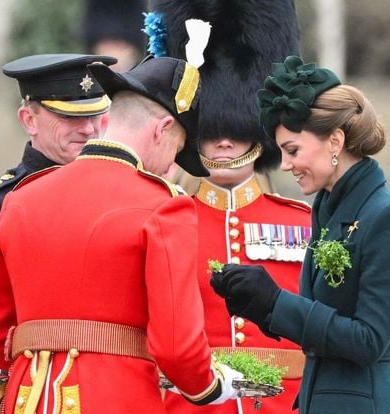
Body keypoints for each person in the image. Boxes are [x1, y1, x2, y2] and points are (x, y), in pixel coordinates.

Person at [0, 55, 243, 413]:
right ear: (162, 129)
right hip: (117, 398)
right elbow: (178, 348)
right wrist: (212, 386)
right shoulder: (165, 205)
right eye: (176, 148)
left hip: (30, 398)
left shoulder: (22, 196)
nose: (171, 164)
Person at [211, 55, 390, 414]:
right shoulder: (328, 208)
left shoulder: (389, 216)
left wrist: (276, 302)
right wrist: (259, 305)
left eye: (293, 150)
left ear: (335, 141)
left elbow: (368, 340)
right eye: (281, 153)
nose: (286, 164)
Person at [149, 1, 311, 413]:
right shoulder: (164, 221)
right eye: (211, 131)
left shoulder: (305, 226)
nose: (223, 141)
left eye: (237, 131)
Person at [0, 53, 117, 287]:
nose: (87, 129)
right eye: (68, 116)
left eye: (93, 115)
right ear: (29, 121)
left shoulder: (118, 190)